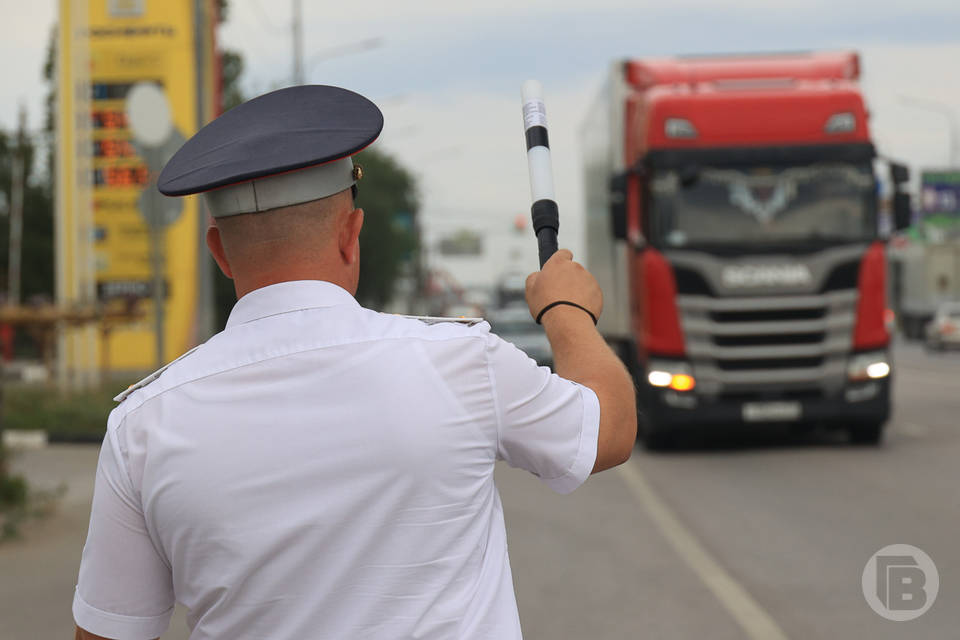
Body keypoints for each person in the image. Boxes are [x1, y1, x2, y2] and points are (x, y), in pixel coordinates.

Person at [73, 85, 636, 640]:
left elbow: (108, 631)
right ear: (351, 236)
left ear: (218, 252)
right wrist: (566, 309)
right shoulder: (461, 364)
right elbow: (607, 431)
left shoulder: (143, 426)